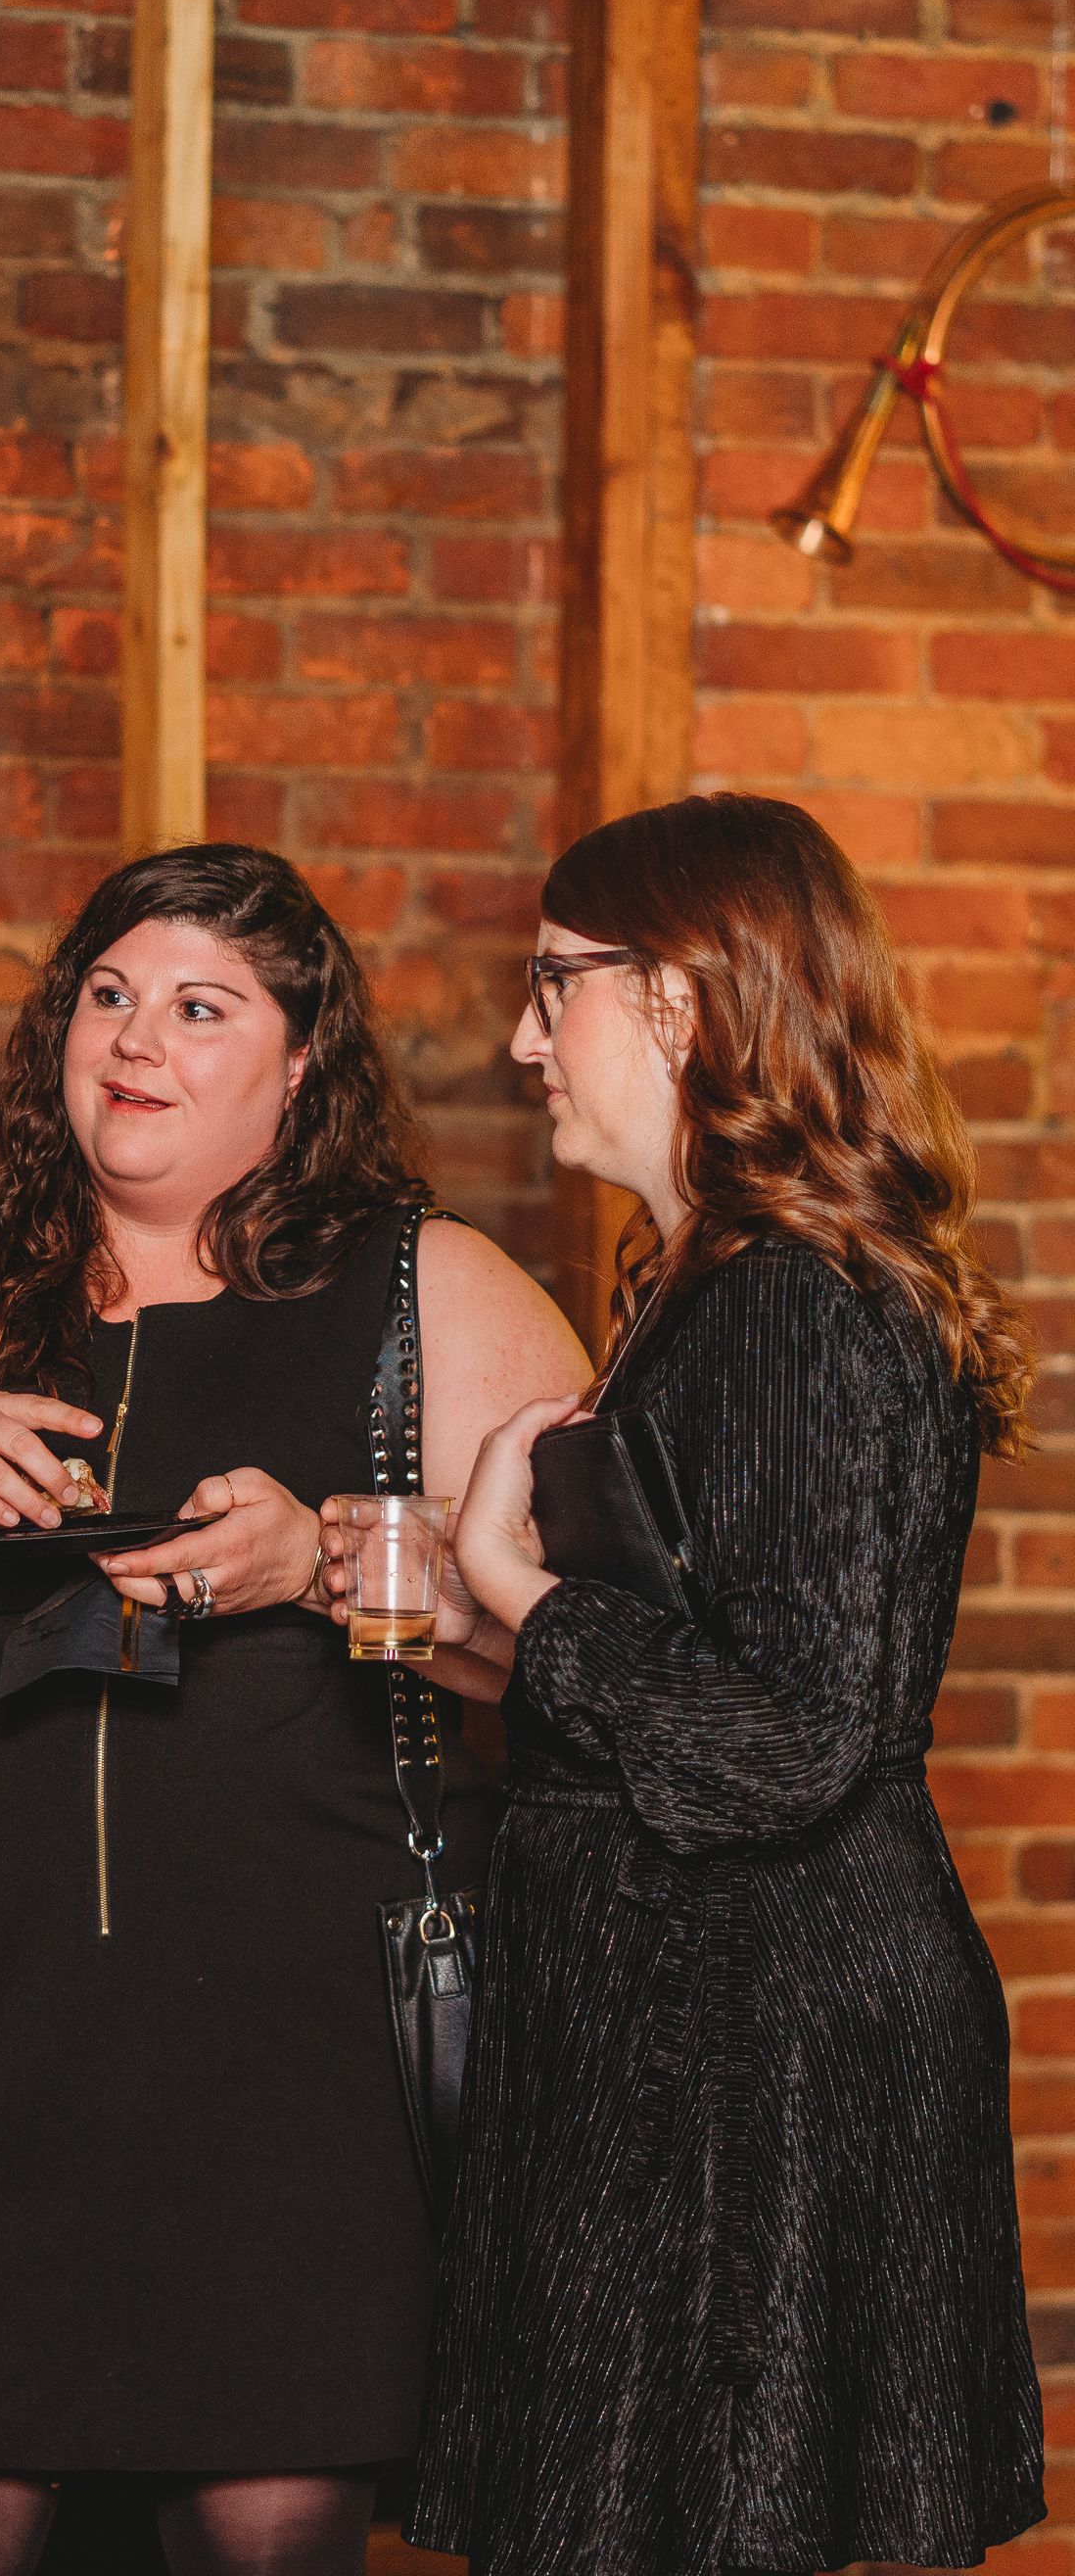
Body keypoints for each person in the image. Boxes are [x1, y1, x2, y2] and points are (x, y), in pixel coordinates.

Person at [0, 842, 589, 2576]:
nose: (137, 1040)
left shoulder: (428, 1290)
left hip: (290, 2056)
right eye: (109, 996)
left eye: (201, 1008)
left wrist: (324, 1563)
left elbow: (576, 1656)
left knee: (264, 2541)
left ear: (301, 1059)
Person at [403, 794, 1046, 2575]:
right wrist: (465, 1613)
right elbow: (716, 1655)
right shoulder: (705, 1275)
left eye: (556, 985)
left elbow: (789, 1734)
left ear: (682, 995)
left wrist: (522, 1592)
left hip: (738, 2056)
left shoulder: (786, 1301)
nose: (526, 1036)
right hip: (689, 2023)